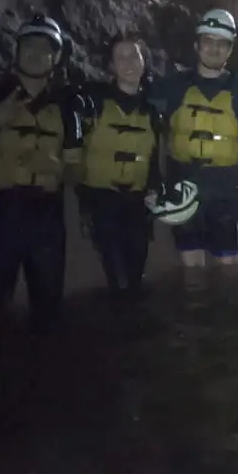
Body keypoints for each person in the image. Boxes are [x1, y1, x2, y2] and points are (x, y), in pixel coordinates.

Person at [0, 14, 84, 333]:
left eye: (45, 47)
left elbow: (78, 171)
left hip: (46, 219)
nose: (36, 53)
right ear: (16, 51)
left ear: (56, 57)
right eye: (29, 45)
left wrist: (58, 170)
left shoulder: (69, 106)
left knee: (48, 314)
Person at [151, 9, 238, 269]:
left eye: (221, 43)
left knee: (228, 269)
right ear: (196, 45)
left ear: (230, 49)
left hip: (225, 191)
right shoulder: (173, 86)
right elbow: (137, 112)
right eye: (208, 41)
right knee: (191, 269)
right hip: (183, 188)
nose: (214, 48)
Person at [74, 34, 164, 303]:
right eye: (120, 57)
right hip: (102, 201)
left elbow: (153, 161)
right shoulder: (93, 101)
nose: (129, 62)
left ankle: (129, 334)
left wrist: (156, 190)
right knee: (120, 281)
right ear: (111, 66)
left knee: (135, 279)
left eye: (134, 55)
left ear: (143, 62)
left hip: (137, 204)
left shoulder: (151, 112)